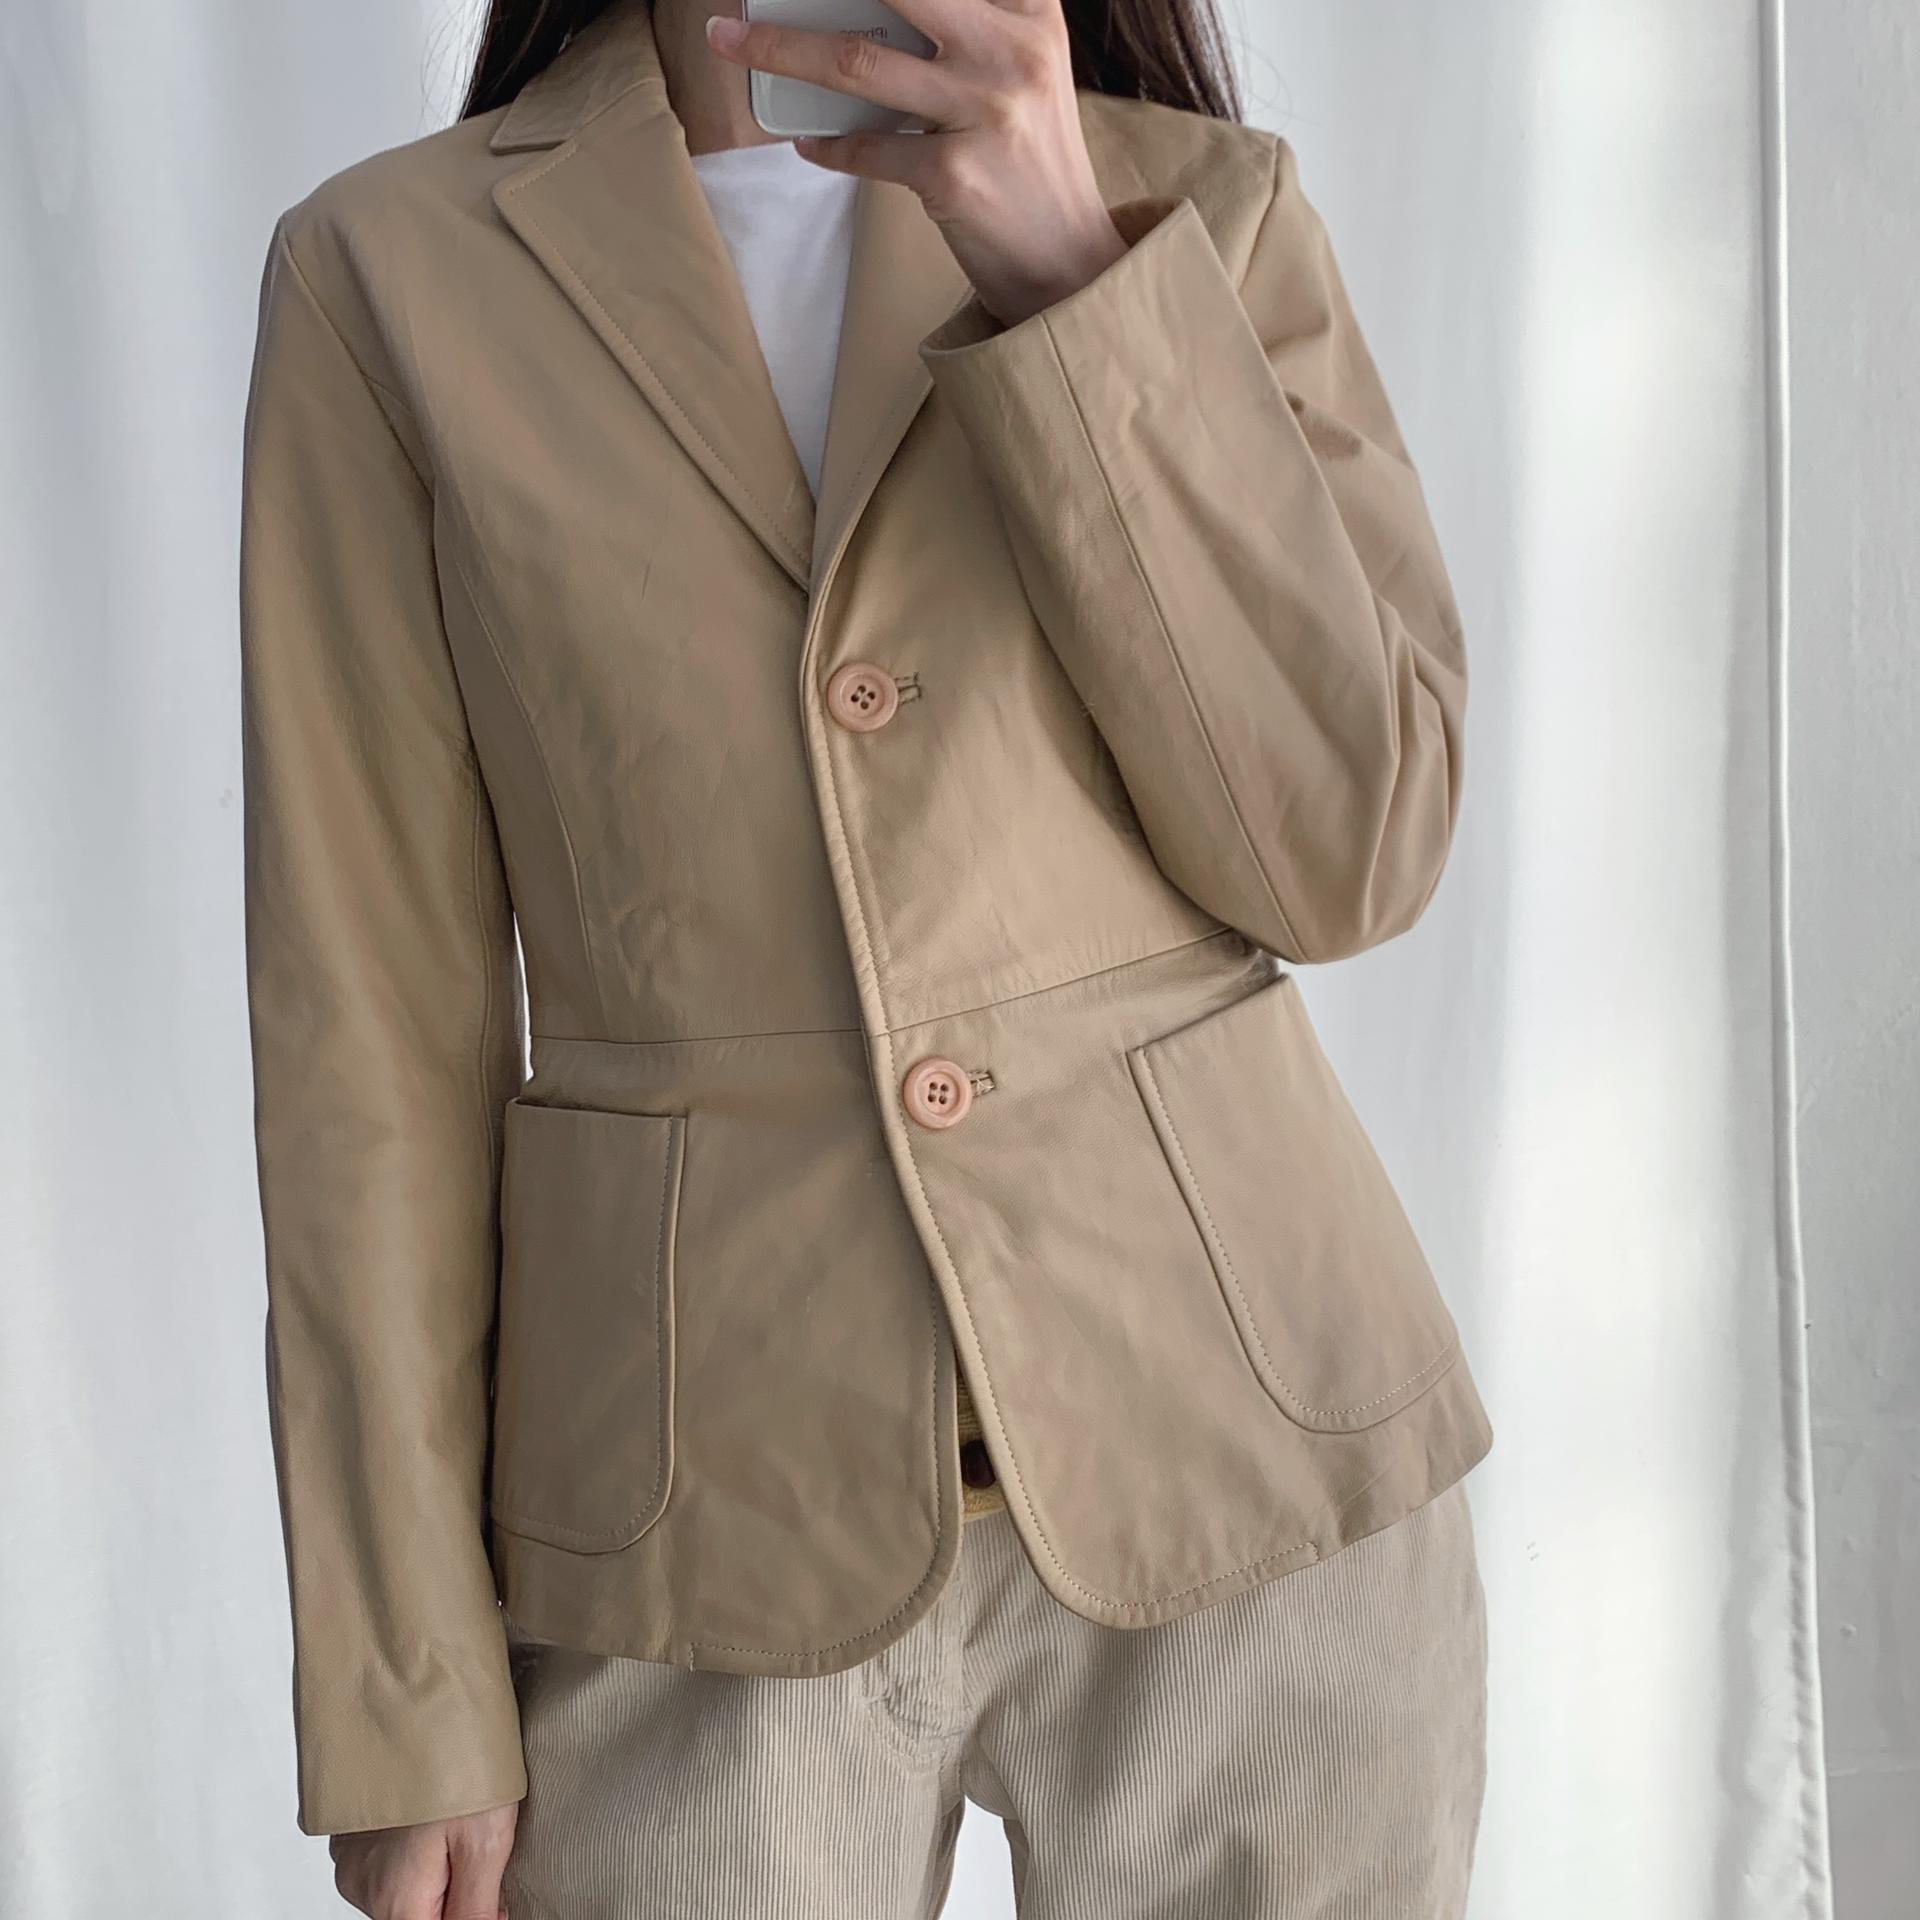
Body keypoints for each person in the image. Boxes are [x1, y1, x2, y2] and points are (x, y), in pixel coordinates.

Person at [237, 0, 1493, 1913]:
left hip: (1254, 1458)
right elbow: (367, 1033)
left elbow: (1352, 853)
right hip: (691, 1520)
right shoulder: (392, 272)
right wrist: (403, 1682)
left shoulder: (1192, 210)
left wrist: (1073, 275)